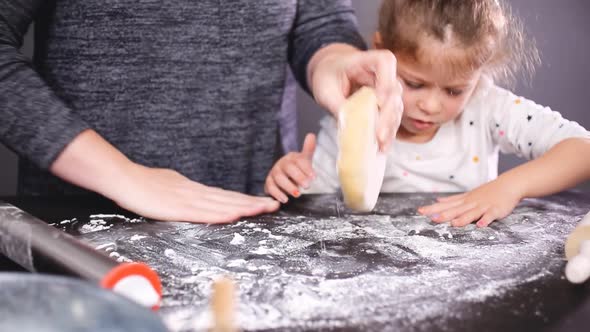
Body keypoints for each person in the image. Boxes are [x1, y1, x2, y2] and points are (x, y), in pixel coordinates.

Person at [0, 1, 403, 223]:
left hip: (250, 216)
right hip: (79, 223)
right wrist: (123, 176)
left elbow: (320, 21)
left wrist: (336, 62)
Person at [265, 0, 590, 227]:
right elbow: (312, 204)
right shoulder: (354, 118)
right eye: (414, 83)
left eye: (454, 91)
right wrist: (293, 178)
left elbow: (583, 150)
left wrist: (512, 186)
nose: (432, 106)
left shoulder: (488, 107)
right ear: (379, 53)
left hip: (470, 263)